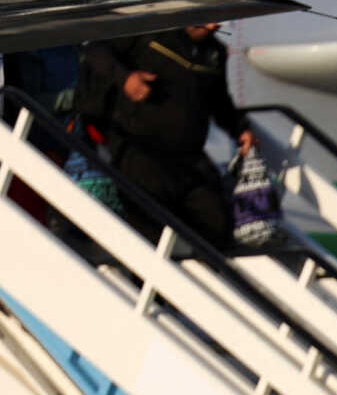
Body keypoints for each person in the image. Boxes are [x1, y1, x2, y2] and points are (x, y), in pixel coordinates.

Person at [78, 23, 255, 247]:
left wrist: (241, 129)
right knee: (149, 235)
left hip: (189, 160)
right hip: (139, 155)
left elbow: (220, 103)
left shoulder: (215, 53)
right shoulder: (147, 34)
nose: (213, 25)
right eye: (209, 17)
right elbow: (95, 50)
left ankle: (210, 276)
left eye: (219, 20)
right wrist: (126, 79)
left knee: (218, 222)